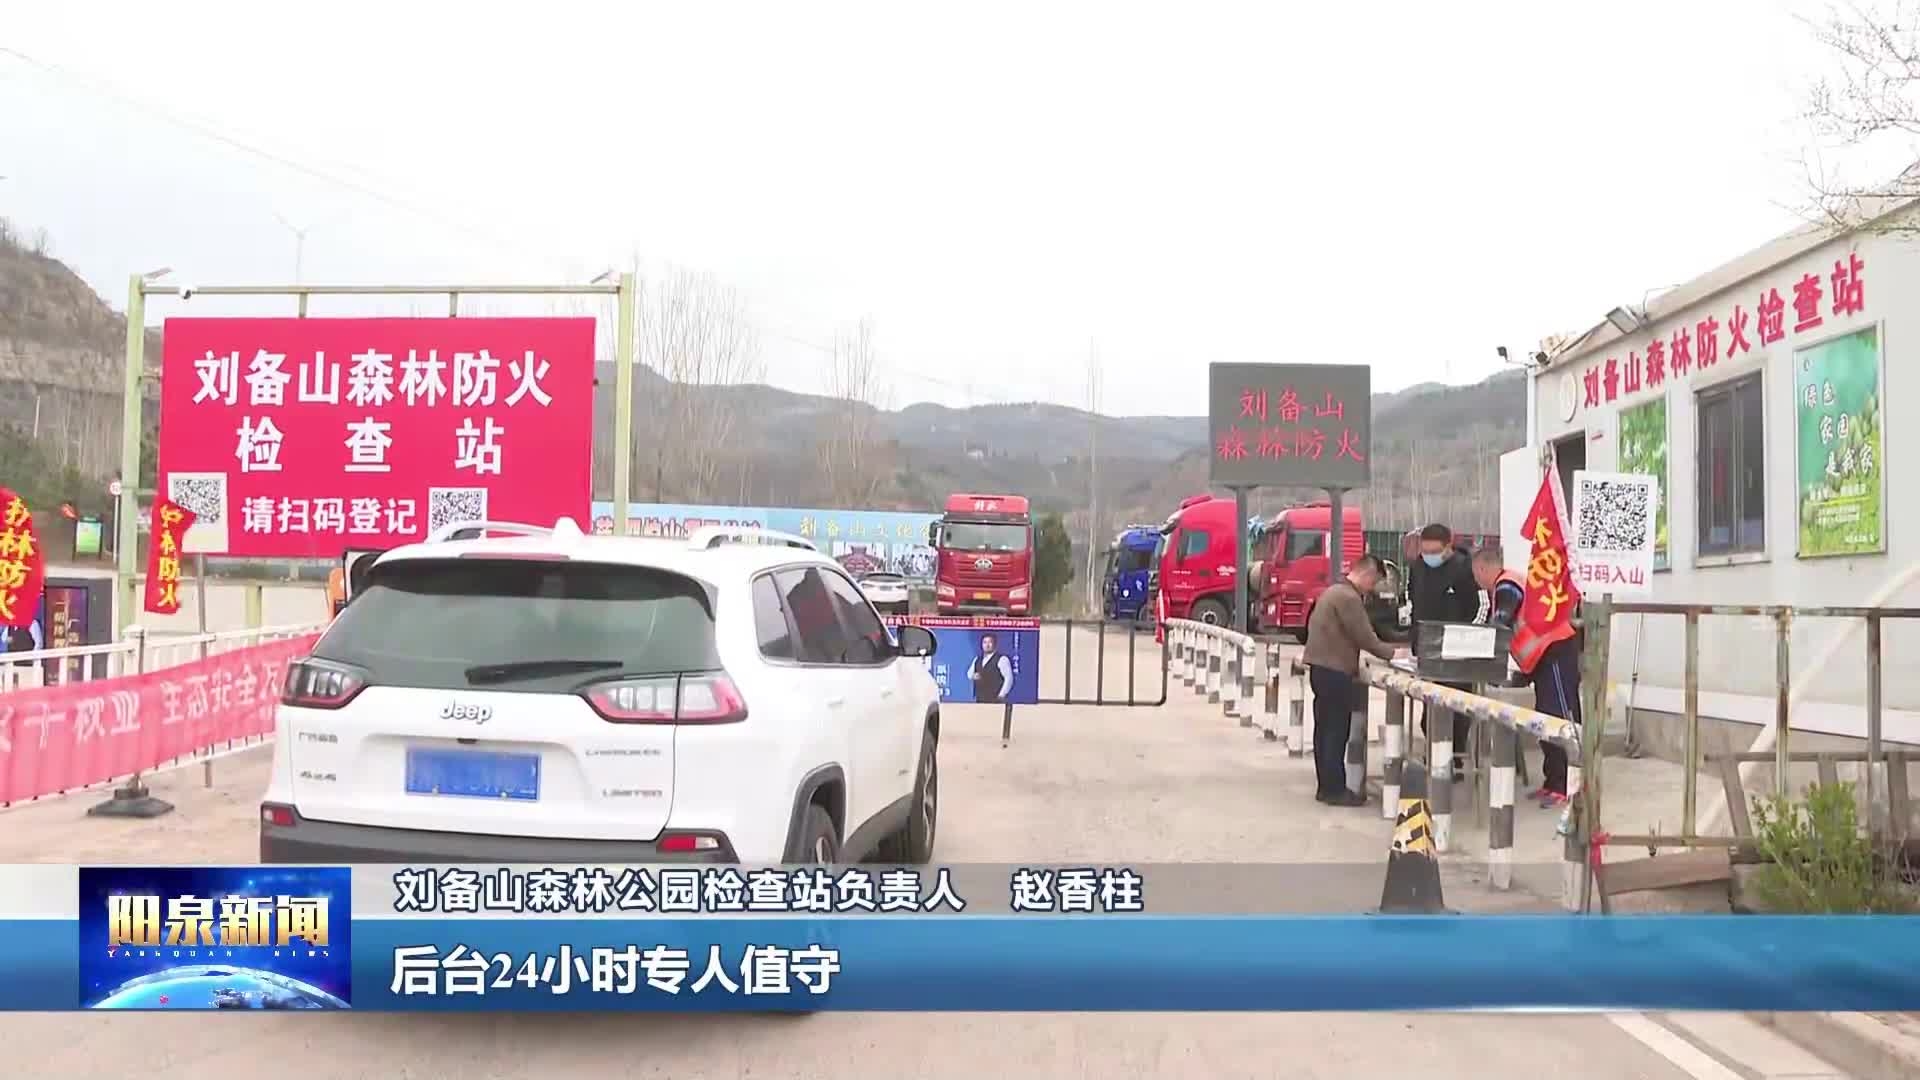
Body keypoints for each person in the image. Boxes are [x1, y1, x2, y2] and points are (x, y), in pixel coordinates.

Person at [1470, 547, 1576, 808]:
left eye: (1475, 574)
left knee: (1560, 717)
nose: (1476, 580)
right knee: (1544, 718)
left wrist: (1477, 649)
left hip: (1555, 651)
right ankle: (1553, 782)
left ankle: (1567, 785)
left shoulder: (1507, 584)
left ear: (1482, 568)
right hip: (1542, 659)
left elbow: (1501, 621)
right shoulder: (1503, 586)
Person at [1303, 554, 1404, 806]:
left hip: (1320, 668)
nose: (1372, 589)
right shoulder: (1348, 598)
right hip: (1335, 671)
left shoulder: (1333, 591)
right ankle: (1335, 790)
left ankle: (1326, 787)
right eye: (1374, 582)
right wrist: (1394, 654)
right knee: (1336, 731)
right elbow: (1365, 637)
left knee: (1323, 729)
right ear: (1368, 574)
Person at [1407, 523, 1479, 780]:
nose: (1429, 557)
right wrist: (1415, 643)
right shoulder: (1418, 568)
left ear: (1448, 547)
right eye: (1425, 551)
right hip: (1427, 650)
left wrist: (1465, 641)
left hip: (1457, 651)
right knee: (1430, 711)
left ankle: (1454, 760)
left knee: (1457, 710)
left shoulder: (1464, 569)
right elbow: (1415, 605)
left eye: (1434, 552)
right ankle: (1434, 755)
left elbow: (1475, 608)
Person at [969, 632, 1014, 704]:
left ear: (995, 644)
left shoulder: (1002, 659)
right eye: (984, 642)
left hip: (995, 699)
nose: (987, 645)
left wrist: (1001, 695)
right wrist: (973, 676)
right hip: (980, 699)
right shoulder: (977, 659)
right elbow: (969, 674)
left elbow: (1009, 678)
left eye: (990, 642)